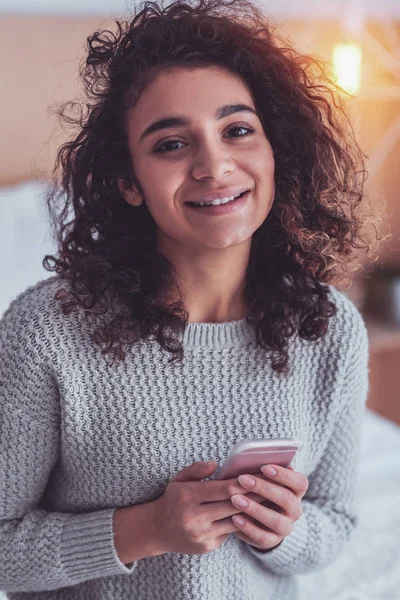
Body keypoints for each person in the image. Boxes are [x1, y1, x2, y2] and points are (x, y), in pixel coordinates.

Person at [0, 0, 385, 598]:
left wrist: (284, 532)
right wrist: (143, 530)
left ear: (274, 149)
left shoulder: (329, 328)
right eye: (171, 144)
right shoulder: (46, 332)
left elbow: (335, 524)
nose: (214, 165)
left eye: (237, 130)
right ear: (128, 181)